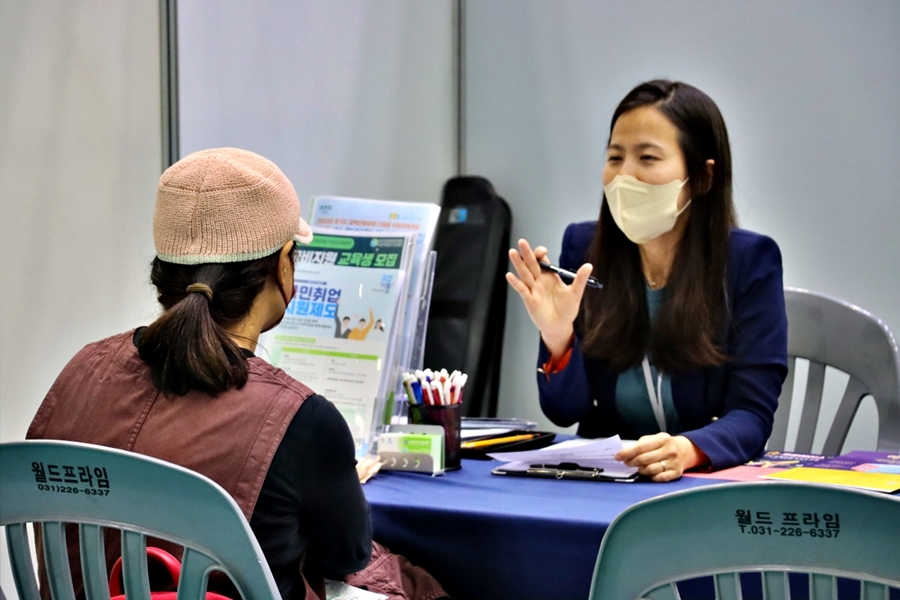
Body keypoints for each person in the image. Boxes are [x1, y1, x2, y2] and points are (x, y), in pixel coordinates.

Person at [27, 148, 447, 600]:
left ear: (162, 271)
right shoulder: (302, 422)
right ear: (284, 262)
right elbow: (346, 557)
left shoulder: (80, 372)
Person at [507, 80, 788, 481]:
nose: (624, 177)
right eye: (615, 157)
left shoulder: (749, 262)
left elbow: (752, 414)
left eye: (648, 158)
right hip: (604, 485)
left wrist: (689, 449)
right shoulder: (584, 250)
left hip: (698, 486)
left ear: (703, 177)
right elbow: (565, 413)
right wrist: (558, 337)